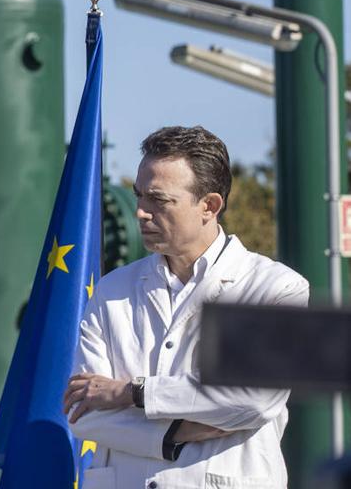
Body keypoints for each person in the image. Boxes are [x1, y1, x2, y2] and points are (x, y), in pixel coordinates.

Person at [62, 125, 308, 488]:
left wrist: (130, 393)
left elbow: (253, 399)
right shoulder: (112, 289)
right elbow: (83, 412)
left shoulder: (276, 289)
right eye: (139, 196)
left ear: (209, 206)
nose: (141, 213)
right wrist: (174, 433)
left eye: (159, 200)